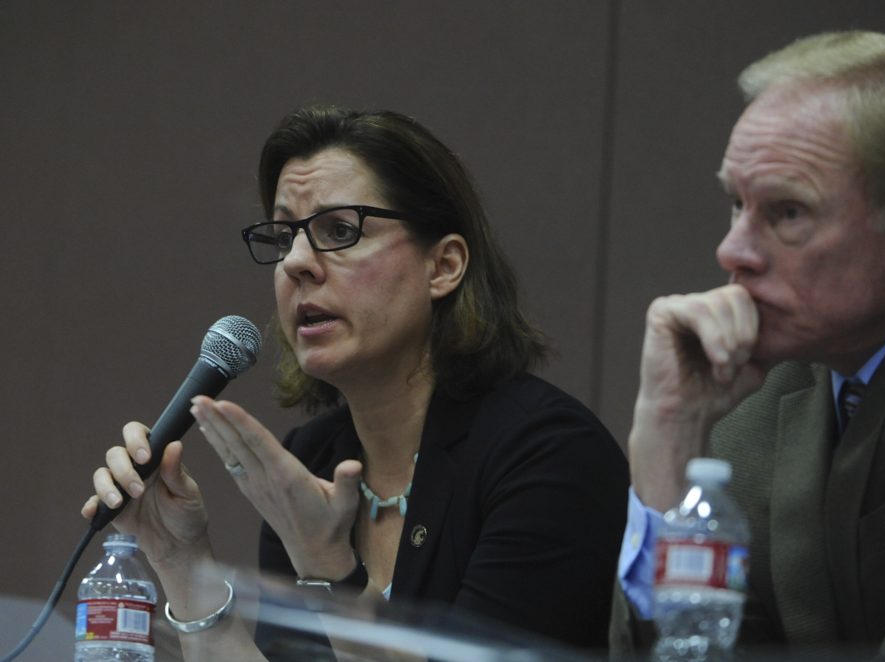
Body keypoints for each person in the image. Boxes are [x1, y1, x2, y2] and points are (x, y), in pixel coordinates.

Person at [82, 105, 629, 659]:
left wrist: (328, 568)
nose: (296, 262)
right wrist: (182, 560)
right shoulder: (313, 458)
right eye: (283, 237)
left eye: (338, 230)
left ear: (442, 266)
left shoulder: (548, 455)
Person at [612, 30, 885, 658]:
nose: (732, 252)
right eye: (736, 204)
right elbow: (693, 650)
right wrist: (671, 434)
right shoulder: (762, 391)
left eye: (788, 213)